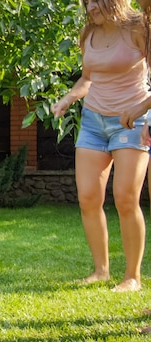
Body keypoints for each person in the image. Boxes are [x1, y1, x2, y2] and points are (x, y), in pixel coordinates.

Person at [51, 0, 150, 293]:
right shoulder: (88, 33)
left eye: (96, 1)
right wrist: (69, 98)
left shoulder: (139, 28)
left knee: (125, 198)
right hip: (94, 121)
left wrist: (142, 108)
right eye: (87, 2)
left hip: (131, 121)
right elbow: (87, 78)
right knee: (88, 198)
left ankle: (132, 277)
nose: (90, 7)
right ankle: (101, 270)